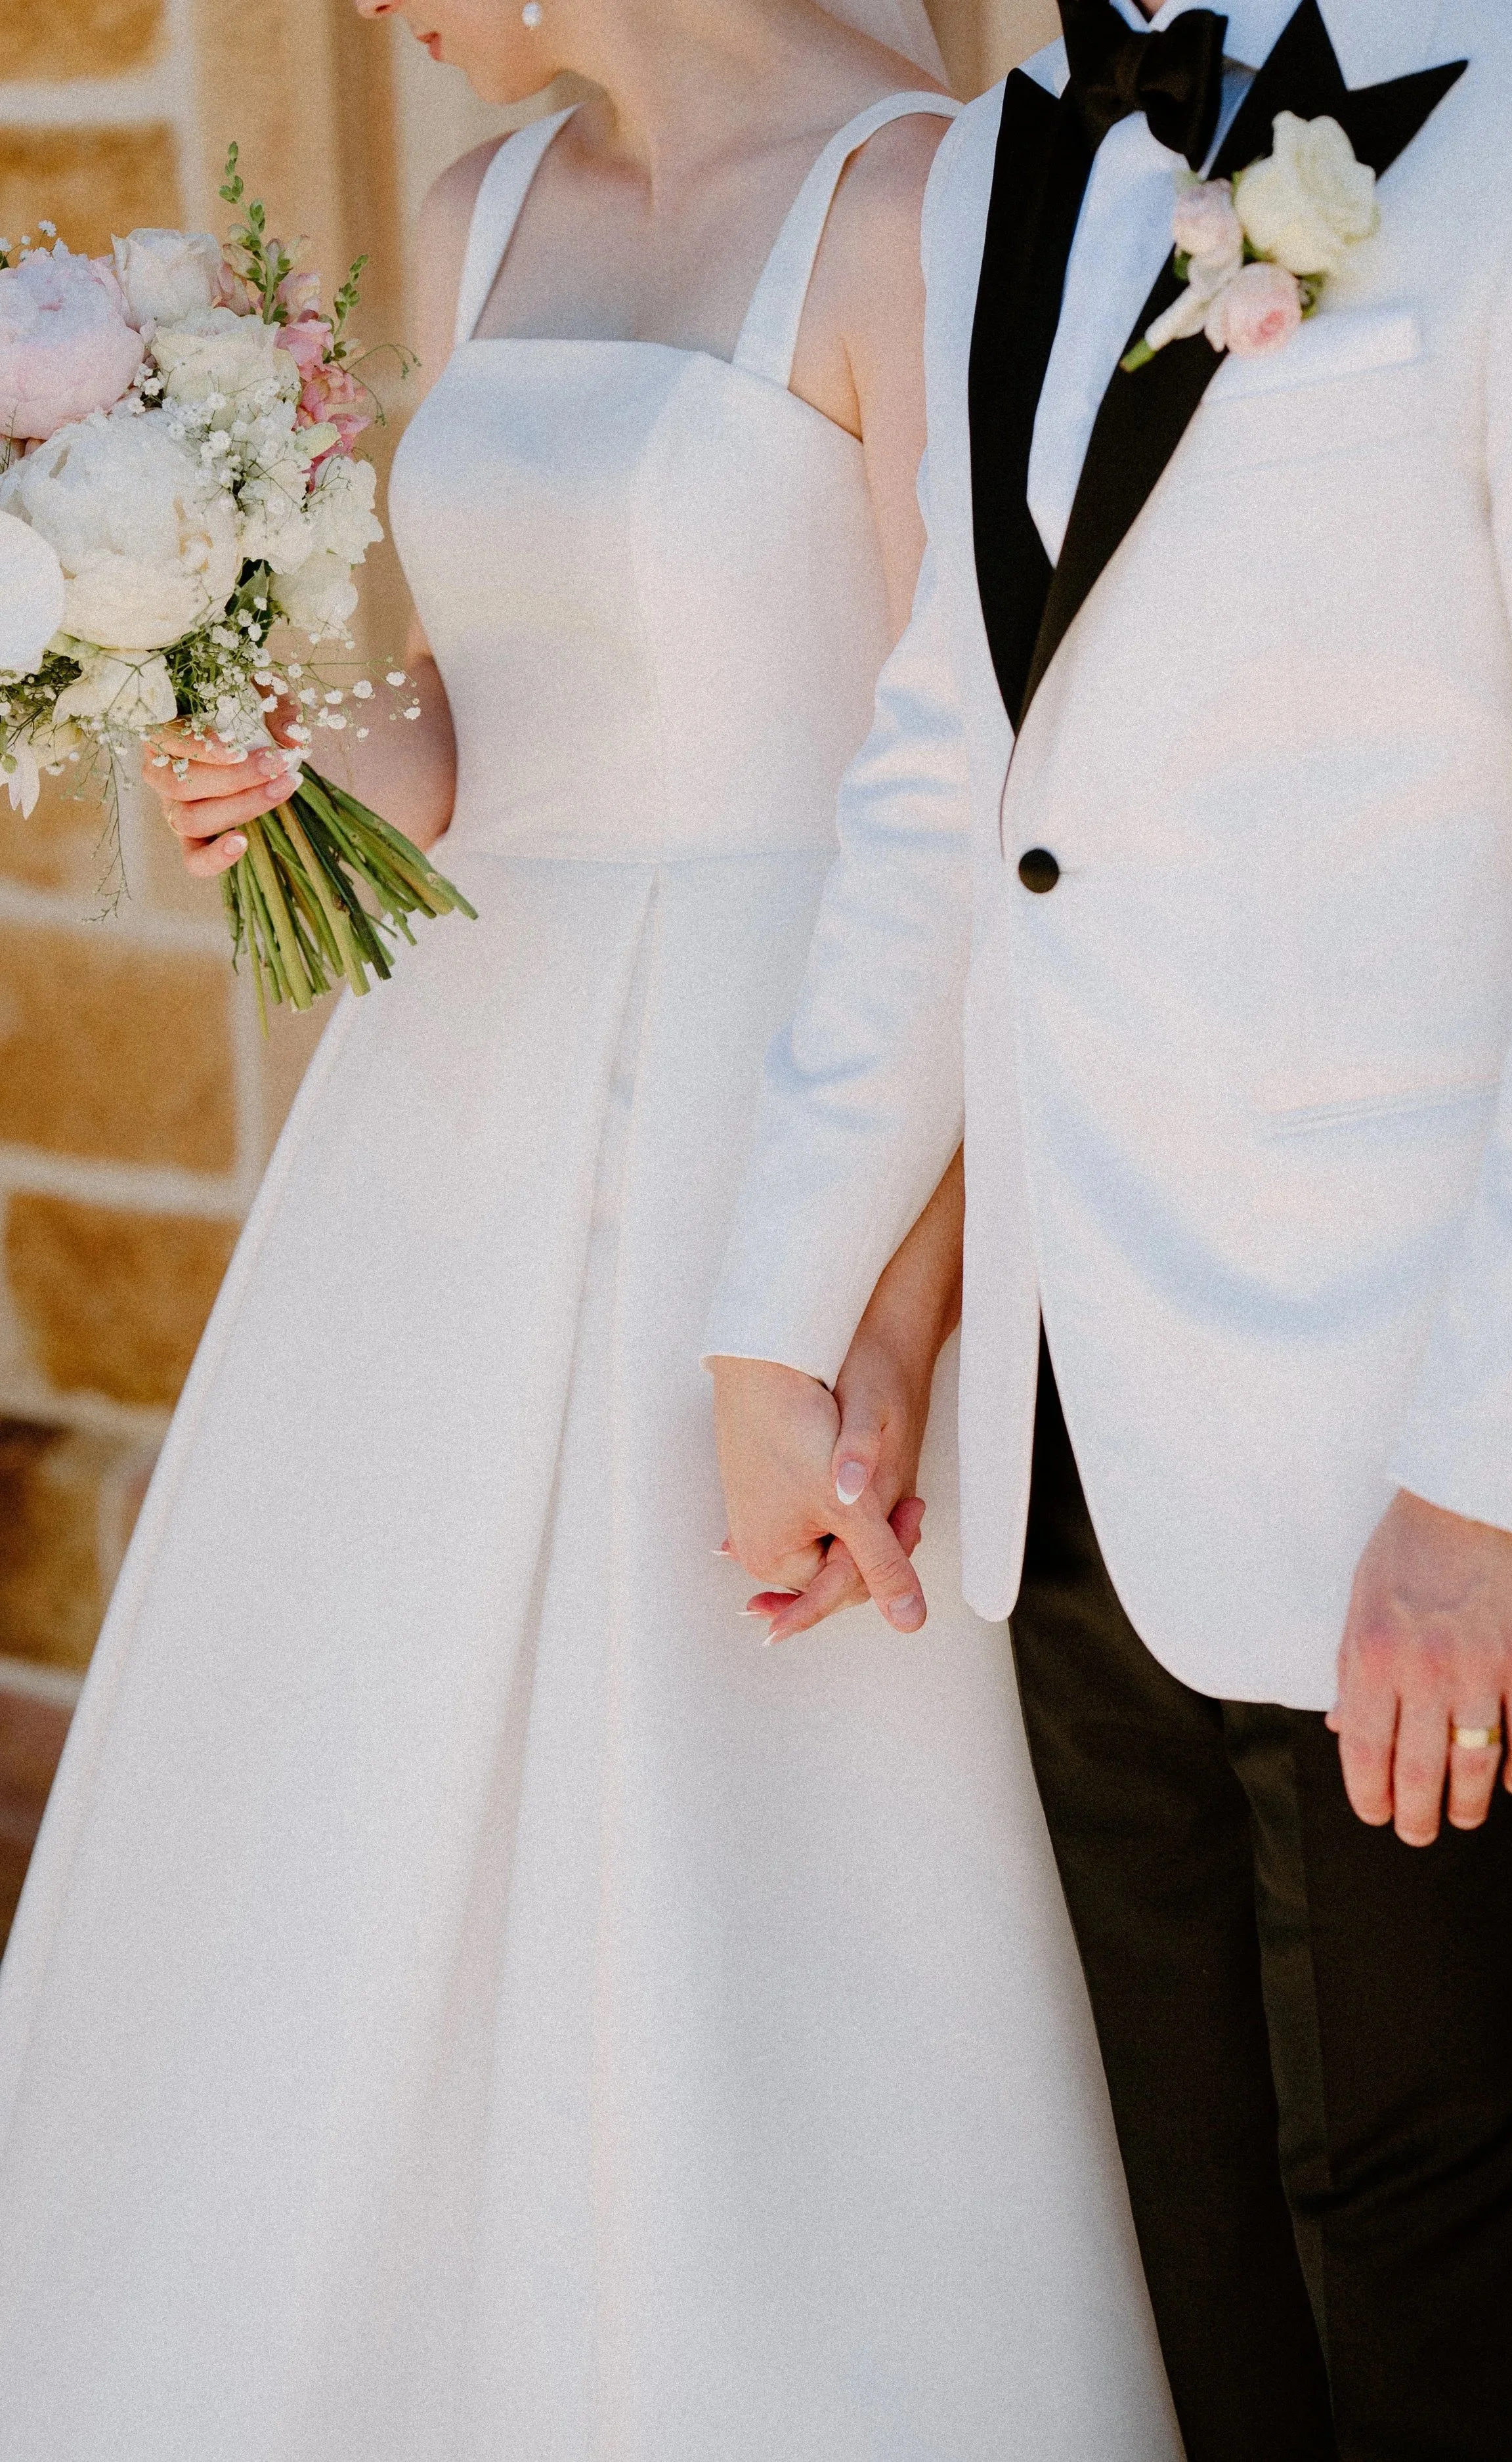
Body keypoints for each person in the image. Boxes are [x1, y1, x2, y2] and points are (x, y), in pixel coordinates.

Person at [0, 3, 1184, 2456]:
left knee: (748, 1788)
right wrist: (294, 746)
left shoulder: (913, 195)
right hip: (463, 1096)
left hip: (778, 1107)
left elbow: (964, 774)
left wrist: (888, 1265)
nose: (378, 15)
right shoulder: (481, 211)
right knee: (375, 1767)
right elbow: (486, 725)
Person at [708, 1, 1512, 2456]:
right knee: (1210, 2324)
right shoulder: (1032, 150)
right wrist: (797, 1322)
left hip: (1417, 1513)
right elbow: (952, 770)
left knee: (1459, 2348)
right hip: (1068, 1476)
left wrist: (1502, 1480)